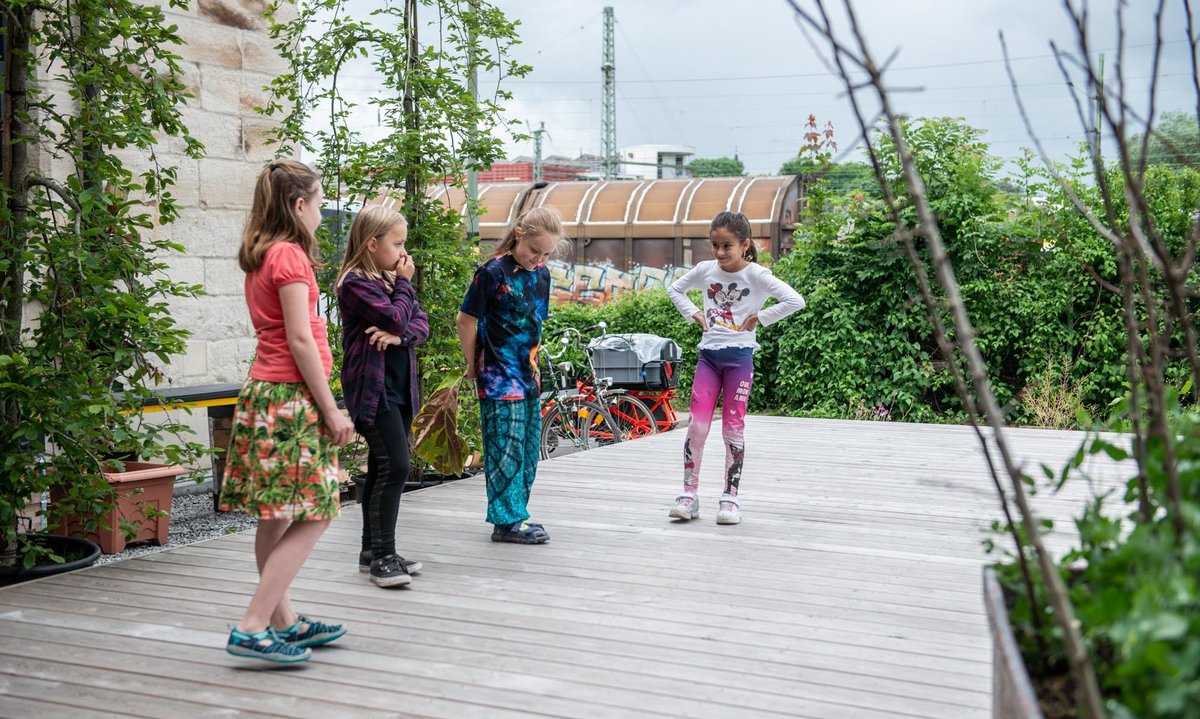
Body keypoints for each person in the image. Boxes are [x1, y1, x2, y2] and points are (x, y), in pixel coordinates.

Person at [219, 159, 354, 663]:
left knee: (274, 519)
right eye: (318, 203)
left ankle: (285, 623)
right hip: (291, 402)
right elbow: (300, 338)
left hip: (264, 396)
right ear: (299, 206)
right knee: (319, 510)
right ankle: (253, 625)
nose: (320, 213)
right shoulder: (291, 257)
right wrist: (332, 410)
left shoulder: (260, 255)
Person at [665, 211, 805, 525]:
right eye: (715, 245)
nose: (719, 253)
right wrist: (694, 315)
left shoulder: (757, 275)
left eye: (727, 246)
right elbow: (674, 290)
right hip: (709, 358)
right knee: (697, 427)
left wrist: (760, 318)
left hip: (740, 359)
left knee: (732, 429)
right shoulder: (705, 270)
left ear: (744, 245)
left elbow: (795, 300)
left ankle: (730, 499)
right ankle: (689, 495)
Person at [455, 208, 562, 544]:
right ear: (519, 234)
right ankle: (506, 522)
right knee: (505, 450)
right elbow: (465, 320)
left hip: (528, 376)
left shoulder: (541, 275)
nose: (539, 259)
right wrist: (472, 364)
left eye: (546, 253)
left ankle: (518, 515)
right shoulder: (491, 273)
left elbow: (535, 324)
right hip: (498, 377)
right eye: (534, 251)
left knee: (529, 451)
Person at [336, 205, 429, 588]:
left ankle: (372, 551)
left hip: (399, 388)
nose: (404, 254)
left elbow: (419, 325)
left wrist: (398, 336)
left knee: (380, 467)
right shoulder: (355, 283)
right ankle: (384, 558)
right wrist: (404, 289)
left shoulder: (390, 282)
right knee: (396, 466)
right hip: (373, 391)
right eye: (398, 243)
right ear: (372, 243)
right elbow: (394, 316)